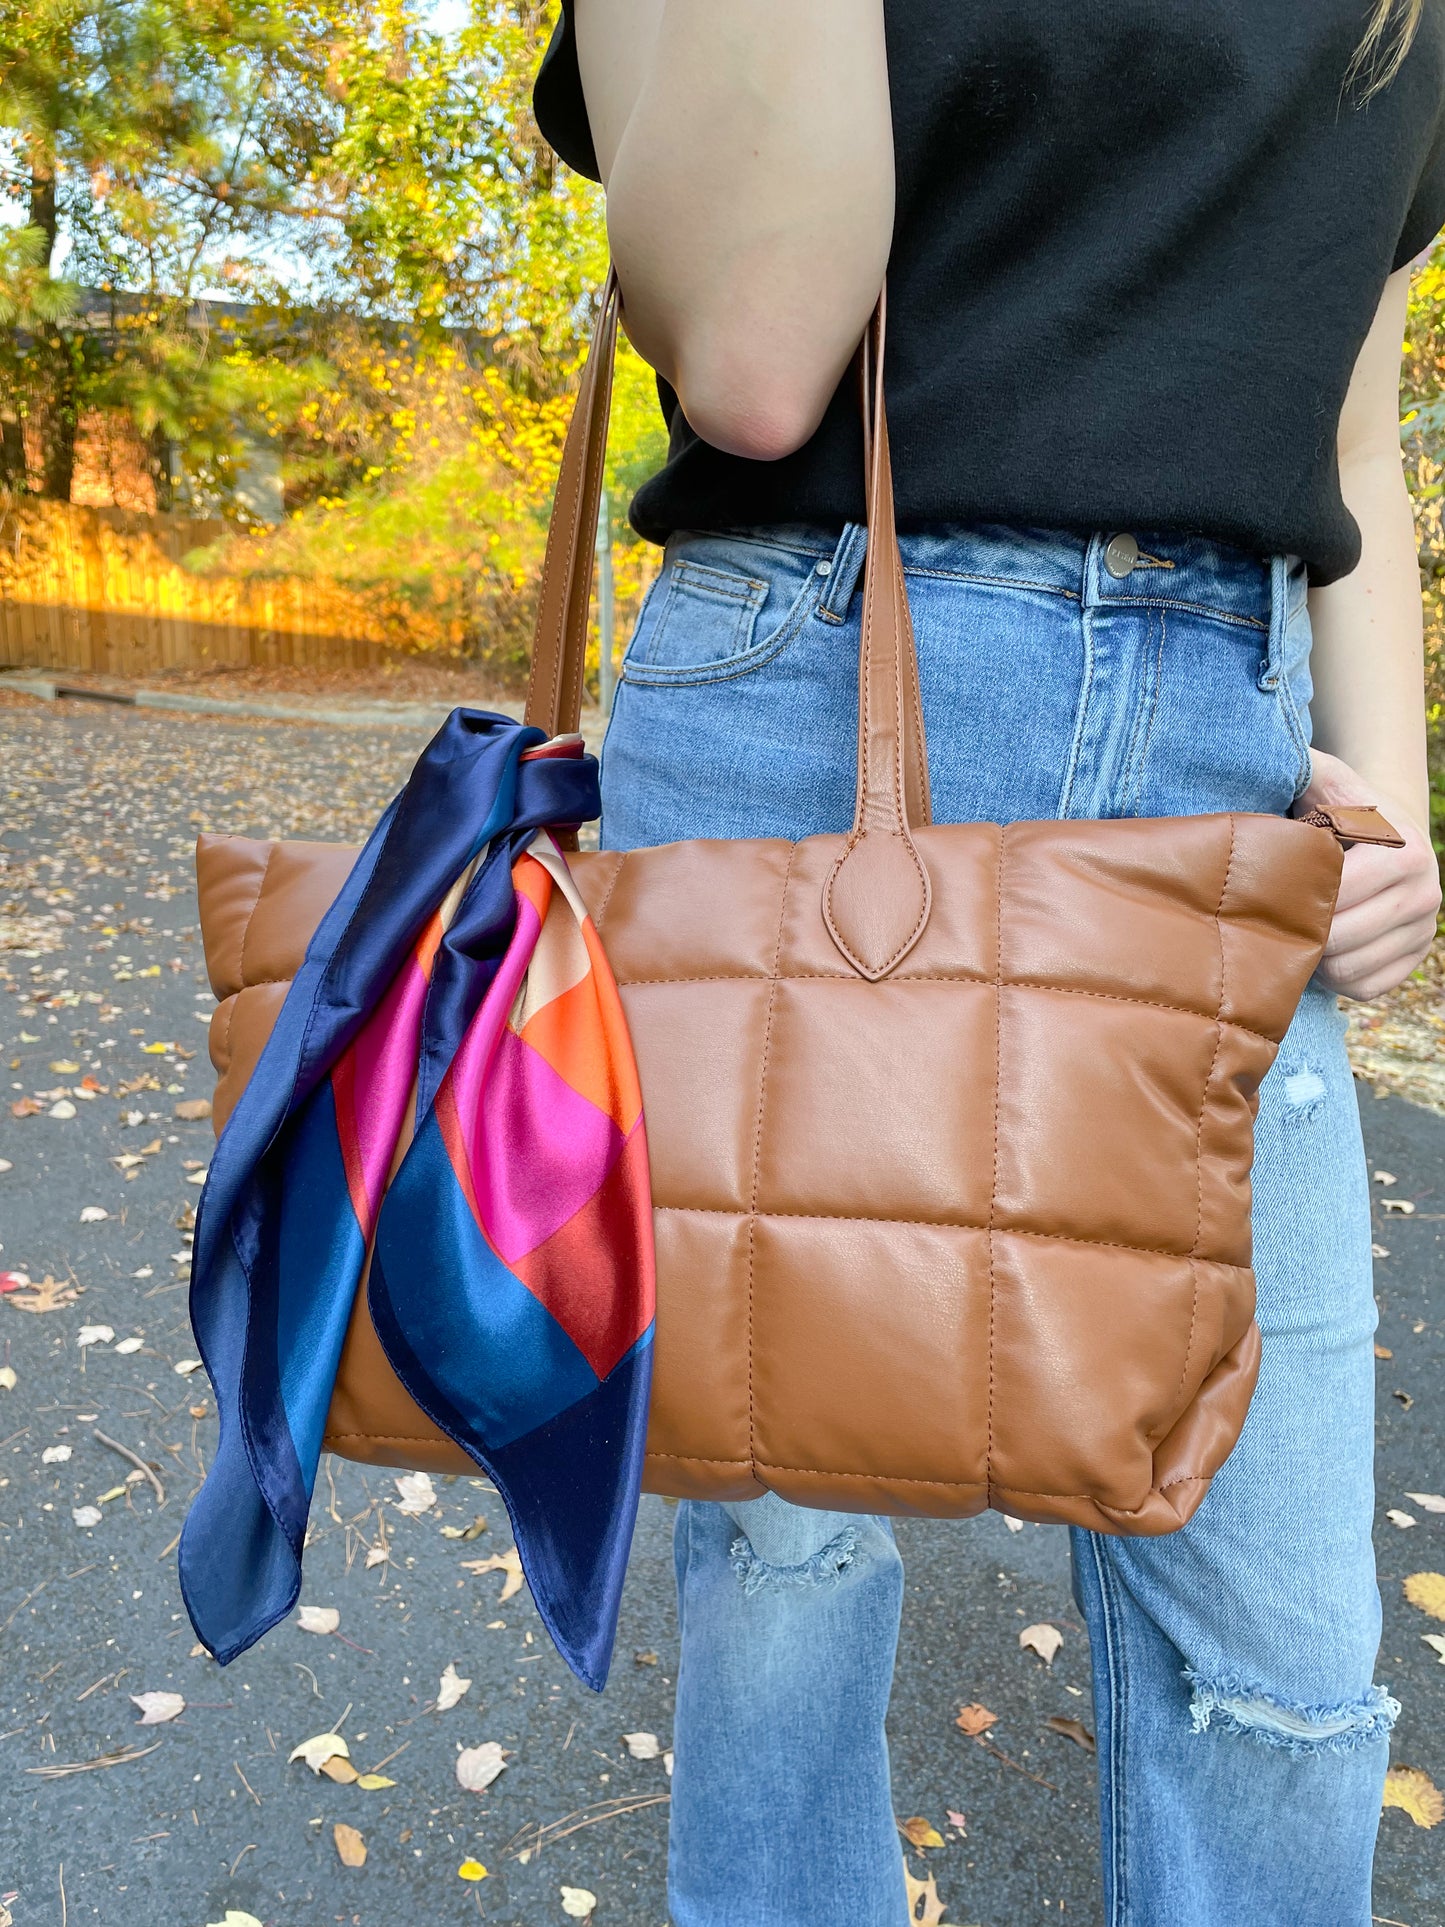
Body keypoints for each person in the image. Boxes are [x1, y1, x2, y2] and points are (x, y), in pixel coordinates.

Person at [531, 5, 1445, 1922]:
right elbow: (763, 365)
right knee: (784, 1566)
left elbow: (1343, 409)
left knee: (1280, 1663)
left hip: (1228, 750)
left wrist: (1400, 812)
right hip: (814, 698)